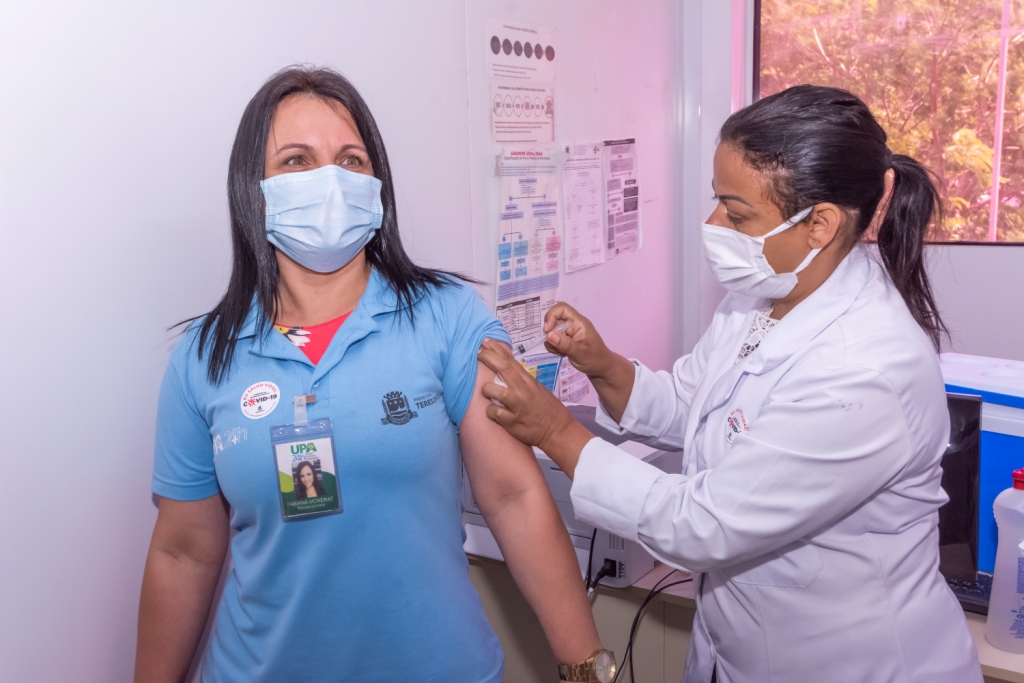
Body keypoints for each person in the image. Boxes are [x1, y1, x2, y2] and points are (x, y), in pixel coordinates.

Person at [479, 85, 984, 683]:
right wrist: (602, 364)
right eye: (717, 201)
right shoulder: (765, 294)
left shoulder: (866, 369)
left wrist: (556, 431)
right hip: (738, 650)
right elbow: (695, 406)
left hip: (853, 665)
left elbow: (703, 524)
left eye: (736, 213)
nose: (714, 224)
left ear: (819, 224)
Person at [135, 66, 606, 683]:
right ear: (255, 191)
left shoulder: (447, 318)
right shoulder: (205, 357)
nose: (330, 179)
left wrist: (587, 668)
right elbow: (183, 551)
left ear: (376, 184)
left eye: (350, 160)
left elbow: (514, 496)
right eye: (297, 160)